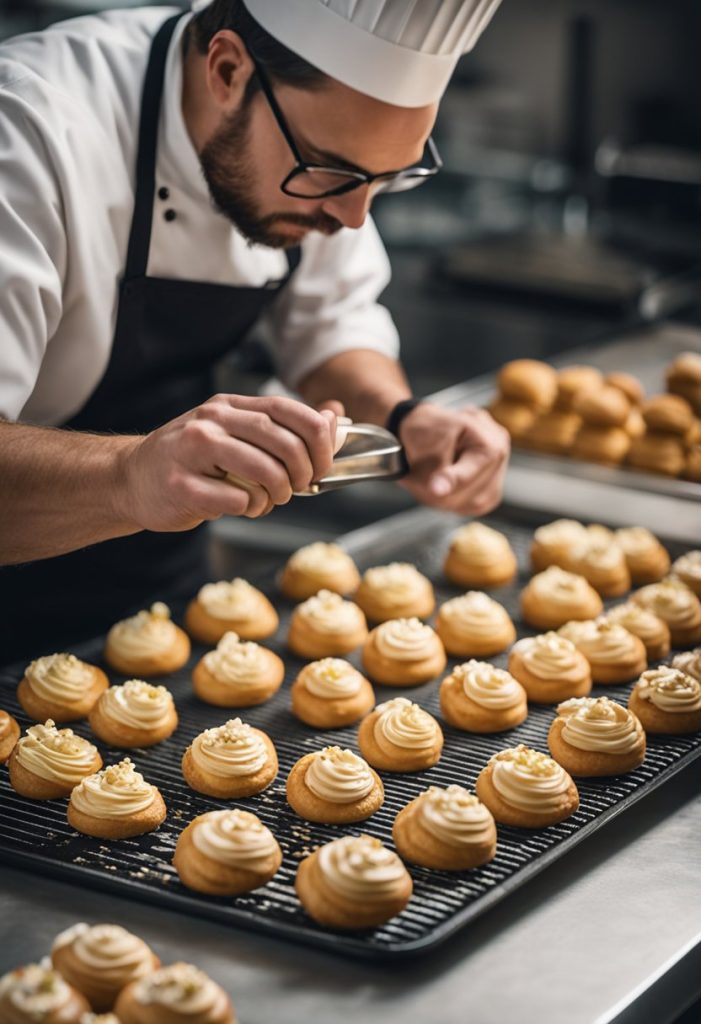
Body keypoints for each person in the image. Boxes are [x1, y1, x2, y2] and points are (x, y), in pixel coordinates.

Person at [0, 0, 508, 662]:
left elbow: (329, 325)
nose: (353, 220)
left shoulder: (318, 162)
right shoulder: (30, 131)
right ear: (228, 69)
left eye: (385, 181)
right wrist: (129, 477)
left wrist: (399, 416)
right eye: (332, 172)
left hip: (163, 613)